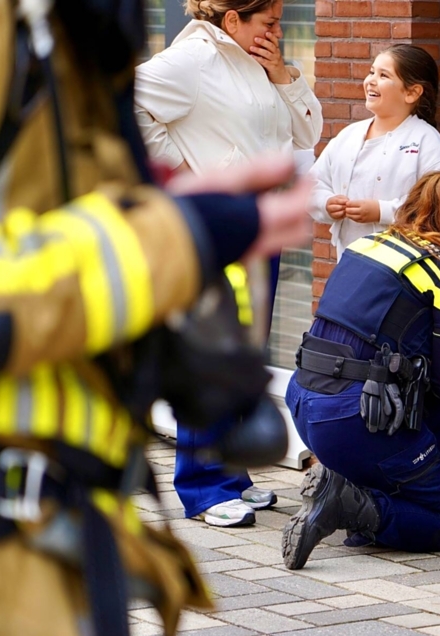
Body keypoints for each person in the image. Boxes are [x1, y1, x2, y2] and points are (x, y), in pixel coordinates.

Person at [0, 1, 312, 636]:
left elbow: (43, 217)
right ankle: (205, 477)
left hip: (55, 527)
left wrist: (166, 198)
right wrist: (176, 230)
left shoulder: (59, 28)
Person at [133, 0, 323, 528]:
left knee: (244, 352)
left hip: (258, 228)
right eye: (269, 21)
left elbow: (308, 133)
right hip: (218, 227)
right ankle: (203, 487)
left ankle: (232, 474)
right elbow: (124, 106)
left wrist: (282, 74)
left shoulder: (258, 61)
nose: (278, 31)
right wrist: (187, 173)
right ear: (232, 19)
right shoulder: (191, 61)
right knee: (214, 351)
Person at [281, 171, 440, 569]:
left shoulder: (372, 241)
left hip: (304, 403)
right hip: (351, 418)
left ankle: (354, 491)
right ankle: (350, 505)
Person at [307, 43, 440, 259]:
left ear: (412, 93)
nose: (371, 81)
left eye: (383, 75)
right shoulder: (348, 135)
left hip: (404, 270)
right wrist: (326, 203)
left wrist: (381, 211)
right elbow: (312, 185)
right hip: (349, 262)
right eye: (371, 72)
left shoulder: (429, 142)